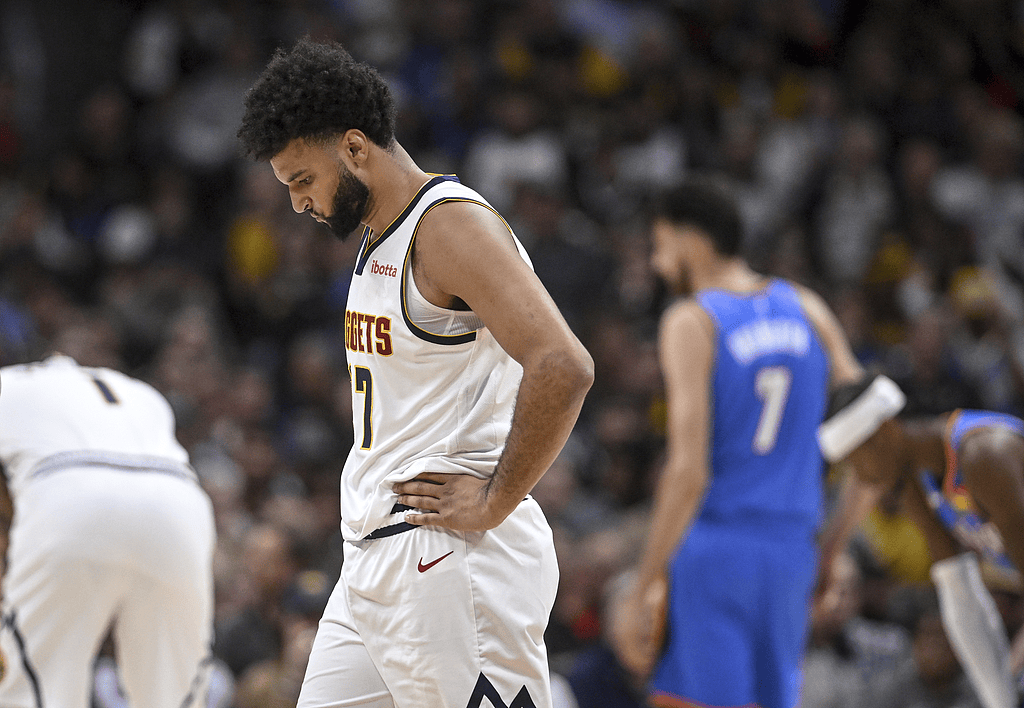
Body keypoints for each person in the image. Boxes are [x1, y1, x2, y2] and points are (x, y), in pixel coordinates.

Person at [237, 38, 594, 708]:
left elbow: (564, 363)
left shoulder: (447, 226)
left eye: (302, 180)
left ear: (353, 147)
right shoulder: (380, 234)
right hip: (372, 562)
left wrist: (495, 500)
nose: (297, 203)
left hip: (449, 559)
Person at [613, 180, 865, 708]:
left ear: (690, 239)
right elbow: (873, 433)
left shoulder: (691, 320)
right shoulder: (807, 308)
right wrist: (835, 548)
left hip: (717, 550)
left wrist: (644, 583)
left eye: (660, 245)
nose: (658, 263)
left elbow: (688, 472)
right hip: (793, 552)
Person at [0, 353, 216, 707]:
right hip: (178, 500)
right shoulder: (139, 392)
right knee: (175, 695)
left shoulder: (8, 384)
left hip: (67, 489)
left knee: (32, 690)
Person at [818, 379, 1024, 708]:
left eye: (856, 463)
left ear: (884, 431)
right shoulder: (915, 476)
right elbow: (958, 588)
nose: (863, 479)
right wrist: (998, 700)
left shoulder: (984, 454)